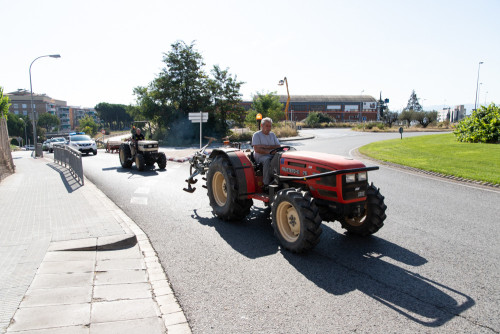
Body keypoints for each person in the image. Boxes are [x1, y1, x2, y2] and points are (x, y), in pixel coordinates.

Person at [252, 117, 281, 190]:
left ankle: (278, 179)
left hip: (272, 154)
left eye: (270, 126)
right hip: (260, 156)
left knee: (281, 158)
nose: (269, 128)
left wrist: (265, 146)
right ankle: (266, 184)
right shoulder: (256, 135)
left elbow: (278, 146)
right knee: (267, 160)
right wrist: (270, 151)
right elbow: (257, 149)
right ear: (262, 126)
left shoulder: (272, 135)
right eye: (267, 126)